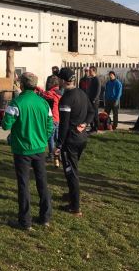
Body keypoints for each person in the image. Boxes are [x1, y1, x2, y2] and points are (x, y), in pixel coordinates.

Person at [2, 72, 53, 230]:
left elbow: (6, 125)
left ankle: (25, 221)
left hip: (22, 149)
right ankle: (45, 217)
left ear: (21, 85)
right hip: (39, 148)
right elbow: (50, 125)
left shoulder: (16, 103)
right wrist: (43, 139)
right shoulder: (43, 103)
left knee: (24, 184)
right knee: (42, 182)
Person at [56, 67, 95, 216]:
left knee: (71, 172)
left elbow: (64, 125)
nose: (58, 80)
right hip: (81, 139)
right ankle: (72, 195)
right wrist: (85, 123)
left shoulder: (66, 99)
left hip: (70, 140)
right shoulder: (81, 93)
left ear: (63, 80)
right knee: (73, 169)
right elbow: (92, 111)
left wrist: (59, 144)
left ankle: (75, 207)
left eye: (59, 78)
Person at [37, 76, 63, 161]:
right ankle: (59, 154)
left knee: (50, 138)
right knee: (57, 138)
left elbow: (45, 94)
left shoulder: (51, 94)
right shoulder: (59, 93)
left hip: (52, 119)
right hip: (58, 119)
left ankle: (51, 155)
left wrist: (37, 89)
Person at [86, 66, 101, 133]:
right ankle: (92, 127)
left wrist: (95, 99)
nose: (89, 72)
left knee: (95, 114)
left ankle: (96, 128)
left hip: (95, 100)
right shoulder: (91, 79)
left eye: (90, 71)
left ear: (94, 71)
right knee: (90, 113)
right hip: (90, 99)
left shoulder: (97, 79)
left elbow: (98, 90)